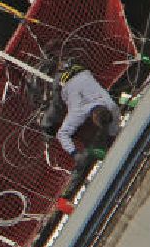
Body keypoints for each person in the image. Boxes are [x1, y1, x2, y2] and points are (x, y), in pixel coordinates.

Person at [42, 63, 121, 194]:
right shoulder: (78, 112)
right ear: (94, 117)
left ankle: (65, 64)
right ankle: (45, 124)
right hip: (63, 81)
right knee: (56, 109)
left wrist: (113, 137)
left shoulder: (110, 104)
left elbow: (114, 125)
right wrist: (75, 154)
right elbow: (62, 134)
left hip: (81, 71)